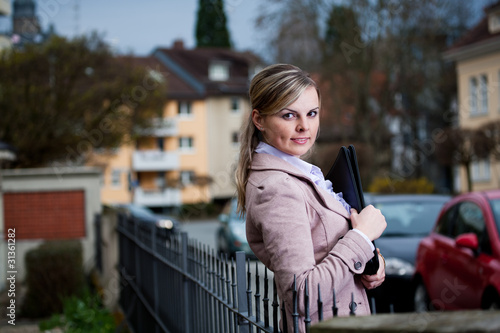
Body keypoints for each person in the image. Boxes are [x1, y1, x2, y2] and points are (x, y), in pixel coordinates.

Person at [235, 63, 387, 332]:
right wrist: (361, 237)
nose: (304, 126)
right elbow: (301, 295)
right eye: (289, 115)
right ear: (259, 120)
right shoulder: (278, 188)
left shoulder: (299, 173)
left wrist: (370, 261)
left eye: (312, 113)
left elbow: (326, 248)